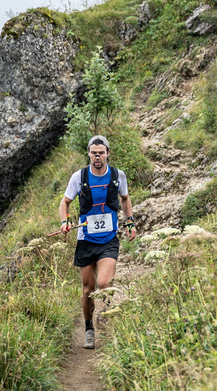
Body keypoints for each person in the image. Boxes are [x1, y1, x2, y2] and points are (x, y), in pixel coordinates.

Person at [59, 135, 137, 349]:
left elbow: (125, 198)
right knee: (88, 290)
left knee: (104, 284)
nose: (97, 157)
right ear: (89, 154)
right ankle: (89, 329)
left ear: (108, 154)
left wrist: (130, 222)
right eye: (94, 153)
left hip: (108, 239)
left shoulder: (117, 175)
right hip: (85, 240)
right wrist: (65, 222)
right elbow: (65, 203)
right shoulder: (79, 177)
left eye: (101, 153)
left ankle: (109, 318)